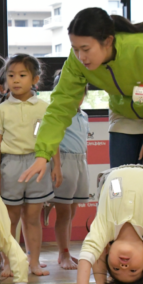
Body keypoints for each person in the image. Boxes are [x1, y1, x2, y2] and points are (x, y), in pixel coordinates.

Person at [20, 8, 143, 280]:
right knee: (118, 187)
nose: (80, 56)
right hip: (126, 113)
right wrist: (43, 153)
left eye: (86, 49)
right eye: (75, 48)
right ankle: (117, 261)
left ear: (108, 41)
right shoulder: (77, 62)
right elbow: (60, 106)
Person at [0, 54, 51, 276]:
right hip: (11, 165)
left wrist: (57, 167)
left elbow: (51, 140)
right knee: (11, 218)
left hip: (38, 163)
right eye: (11, 75)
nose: (15, 80)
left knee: (32, 217)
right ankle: (9, 262)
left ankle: (33, 262)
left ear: (35, 79)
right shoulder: (2, 108)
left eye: (22, 75)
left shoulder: (44, 107)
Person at [45, 71, 91, 270]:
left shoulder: (83, 116)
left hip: (80, 162)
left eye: (80, 92)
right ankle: (63, 253)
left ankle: (66, 251)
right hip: (64, 162)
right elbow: (53, 140)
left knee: (71, 212)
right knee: (64, 213)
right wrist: (57, 166)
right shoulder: (58, 113)